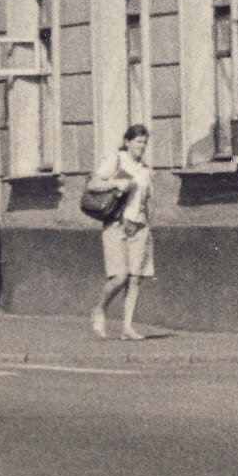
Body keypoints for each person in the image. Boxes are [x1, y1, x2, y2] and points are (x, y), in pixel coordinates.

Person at [91, 122, 154, 342]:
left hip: (140, 226)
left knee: (135, 278)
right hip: (117, 224)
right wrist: (117, 184)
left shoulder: (145, 168)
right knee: (119, 276)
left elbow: (145, 199)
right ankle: (100, 309)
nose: (142, 146)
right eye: (138, 142)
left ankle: (127, 327)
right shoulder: (116, 160)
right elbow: (93, 185)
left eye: (145, 142)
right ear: (127, 142)